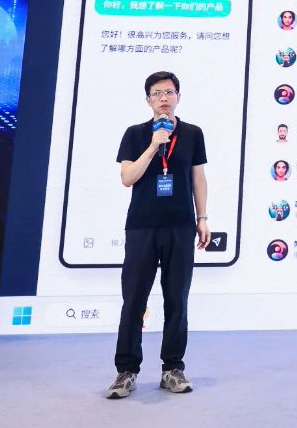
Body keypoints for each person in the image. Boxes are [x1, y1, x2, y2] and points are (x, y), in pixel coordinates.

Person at [107, 71, 211, 400]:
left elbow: (198, 178)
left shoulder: (192, 134)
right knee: (134, 299)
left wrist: (202, 218)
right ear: (148, 100)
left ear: (178, 96)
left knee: (177, 298)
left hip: (180, 226)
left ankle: (172, 368)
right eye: (156, 93)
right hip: (142, 226)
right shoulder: (135, 134)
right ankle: (126, 370)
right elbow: (127, 177)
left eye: (169, 92)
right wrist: (154, 146)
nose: (163, 98)